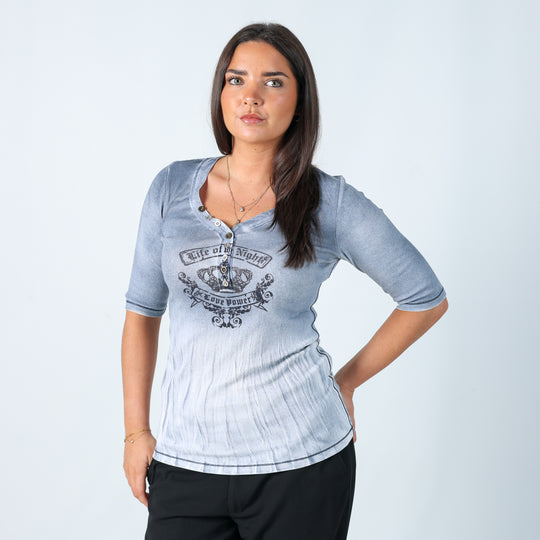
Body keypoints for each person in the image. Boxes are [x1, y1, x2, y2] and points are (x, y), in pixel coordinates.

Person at [121, 22, 448, 540]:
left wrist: (346, 382)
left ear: (299, 102)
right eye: (236, 80)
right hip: (186, 463)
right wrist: (136, 430)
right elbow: (142, 312)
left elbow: (424, 298)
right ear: (220, 94)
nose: (250, 96)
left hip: (301, 464)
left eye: (273, 82)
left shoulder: (329, 202)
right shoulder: (171, 188)